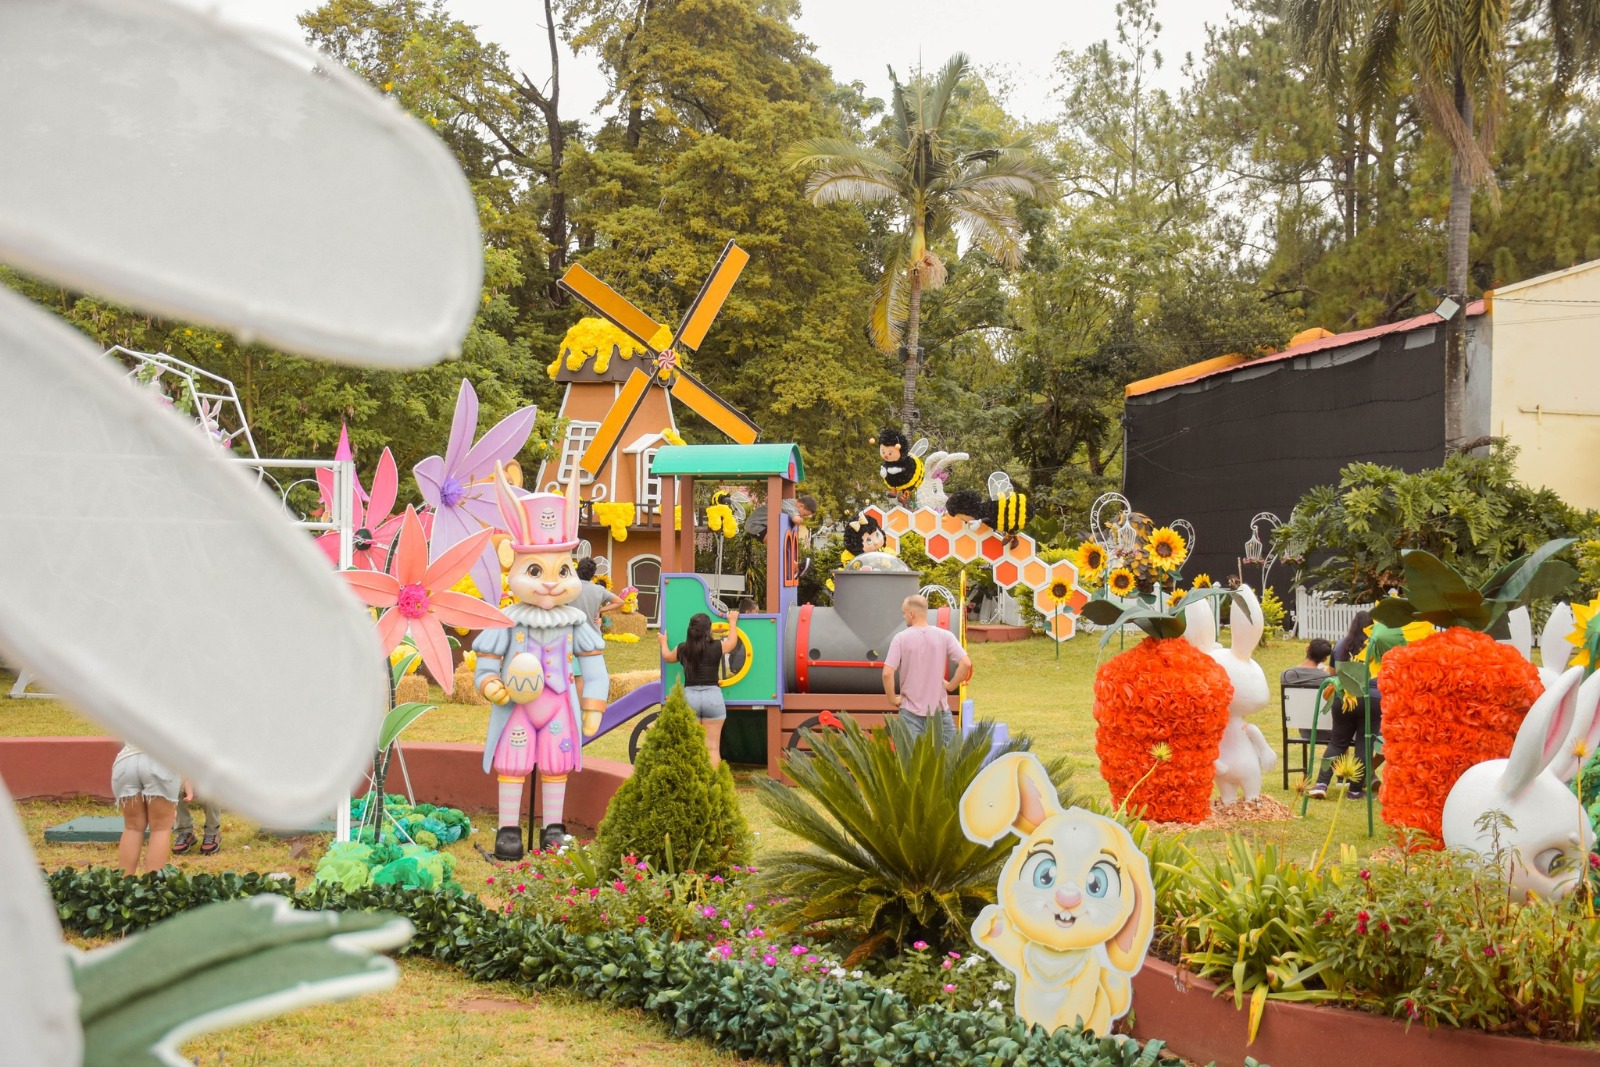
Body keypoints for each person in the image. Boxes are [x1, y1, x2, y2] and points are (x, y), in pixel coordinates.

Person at [1308, 612, 1382, 800]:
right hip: (1371, 698)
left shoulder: (1341, 645)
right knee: (1364, 745)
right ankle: (1355, 790)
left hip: (1344, 697)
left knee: (1337, 742)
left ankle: (1321, 784)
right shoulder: (1377, 646)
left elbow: (1333, 674)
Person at [882, 595, 972, 744]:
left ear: (911, 614)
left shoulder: (900, 638)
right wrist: (951, 685)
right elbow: (966, 664)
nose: (903, 617)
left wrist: (892, 699)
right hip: (940, 712)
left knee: (911, 757)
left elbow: (887, 673)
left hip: (910, 712)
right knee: (950, 756)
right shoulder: (945, 636)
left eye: (904, 613)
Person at [660, 610, 740, 767]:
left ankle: (695, 779)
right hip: (712, 697)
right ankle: (713, 780)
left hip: (689, 698)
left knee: (692, 747)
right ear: (708, 630)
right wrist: (732, 621)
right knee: (712, 748)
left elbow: (667, 657)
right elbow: (732, 642)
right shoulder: (716, 646)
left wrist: (663, 642)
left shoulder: (683, 648)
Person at [112, 741, 189, 876]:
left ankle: (123, 883)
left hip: (125, 761)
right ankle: (153, 885)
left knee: (132, 828)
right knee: (161, 828)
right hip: (161, 760)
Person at [1280, 638, 1333, 741]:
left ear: (1307, 648)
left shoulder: (1287, 675)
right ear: (1324, 659)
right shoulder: (1327, 679)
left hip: (1305, 730)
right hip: (1329, 729)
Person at [573, 558, 623, 632]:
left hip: (573, 633)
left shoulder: (569, 588)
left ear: (577, 570)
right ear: (593, 574)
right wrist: (600, 610)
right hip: (593, 634)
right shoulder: (600, 590)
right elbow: (620, 602)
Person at [745, 493, 816, 541]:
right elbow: (796, 520)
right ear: (801, 506)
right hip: (755, 524)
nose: (803, 516)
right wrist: (801, 519)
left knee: (781, 542)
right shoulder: (789, 507)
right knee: (776, 543)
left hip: (763, 524)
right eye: (805, 514)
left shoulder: (793, 504)